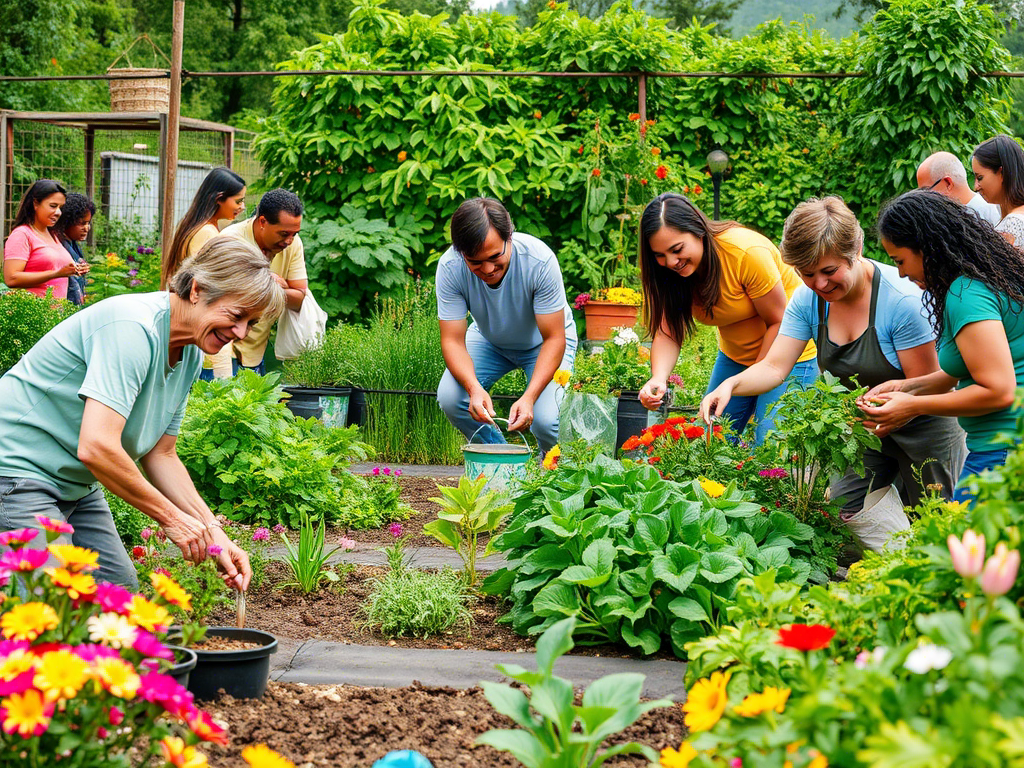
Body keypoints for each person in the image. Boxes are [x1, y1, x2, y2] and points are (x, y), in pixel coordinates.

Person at [0, 237, 285, 588]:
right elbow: (96, 447)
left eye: (252, 324)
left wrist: (214, 533)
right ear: (197, 290)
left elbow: (161, 453)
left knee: (117, 589)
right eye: (237, 315)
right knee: (53, 599)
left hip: (74, 482)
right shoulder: (132, 328)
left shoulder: (190, 353)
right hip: (15, 472)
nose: (240, 333)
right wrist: (171, 518)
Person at [701, 197, 965, 514]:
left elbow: (928, 384)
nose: (819, 284)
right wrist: (730, 385)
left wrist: (879, 416)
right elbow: (774, 367)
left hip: (926, 428)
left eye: (829, 270)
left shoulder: (901, 302)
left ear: (856, 251)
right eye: (806, 273)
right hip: (865, 429)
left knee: (934, 519)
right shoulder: (807, 301)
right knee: (846, 515)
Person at [862, 190, 1024, 503]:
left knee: (963, 548)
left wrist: (913, 406)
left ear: (927, 248)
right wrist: (908, 387)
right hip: (1006, 446)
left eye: (901, 261)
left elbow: (999, 390)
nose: (901, 274)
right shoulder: (984, 277)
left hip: (1004, 449)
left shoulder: (967, 294)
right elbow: (965, 371)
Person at [637, 192, 817, 446]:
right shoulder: (670, 274)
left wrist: (752, 382)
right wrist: (658, 378)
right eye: (660, 255)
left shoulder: (745, 253)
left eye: (677, 249)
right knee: (711, 442)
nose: (671, 262)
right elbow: (669, 331)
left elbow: (779, 321)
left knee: (769, 447)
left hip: (789, 357)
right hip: (736, 357)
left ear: (698, 231)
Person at [435, 197, 576, 455]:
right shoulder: (450, 266)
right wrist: (474, 389)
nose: (487, 269)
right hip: (489, 340)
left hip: (544, 343)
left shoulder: (539, 261)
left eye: (495, 257)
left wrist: (529, 397)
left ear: (509, 236)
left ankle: (552, 473)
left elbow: (555, 338)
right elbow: (452, 340)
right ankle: (502, 459)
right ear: (460, 253)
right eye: (475, 262)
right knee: (452, 398)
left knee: (546, 421)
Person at [163, 167, 247, 380]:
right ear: (220, 199)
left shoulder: (193, 227)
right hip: (207, 341)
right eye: (238, 201)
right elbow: (216, 286)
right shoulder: (207, 234)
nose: (242, 207)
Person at [219, 188, 307, 374]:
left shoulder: (293, 243)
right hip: (221, 350)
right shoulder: (230, 241)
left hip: (255, 355)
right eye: (284, 234)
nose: (290, 240)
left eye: (295, 233)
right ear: (262, 222)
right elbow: (223, 300)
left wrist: (267, 285)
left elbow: (298, 298)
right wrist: (274, 285)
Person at [3, 179, 84, 300]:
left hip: (56, 314)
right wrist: (56, 273)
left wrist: (74, 269)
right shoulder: (22, 235)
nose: (58, 212)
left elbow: (57, 269)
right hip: (34, 313)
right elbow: (11, 278)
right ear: (35, 204)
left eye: (60, 207)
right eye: (53, 206)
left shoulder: (53, 235)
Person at [916, 151, 1001, 226]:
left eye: (926, 191)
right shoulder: (948, 215)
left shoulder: (987, 214)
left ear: (948, 184)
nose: (925, 198)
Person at [971, 134, 1024, 248]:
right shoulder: (1008, 215)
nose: (976, 187)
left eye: (980, 178)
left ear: (1002, 173)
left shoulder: (1013, 224)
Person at [53, 192, 95, 306]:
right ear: (66, 222)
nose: (86, 228)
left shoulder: (73, 244)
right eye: (81, 223)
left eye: (88, 223)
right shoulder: (59, 246)